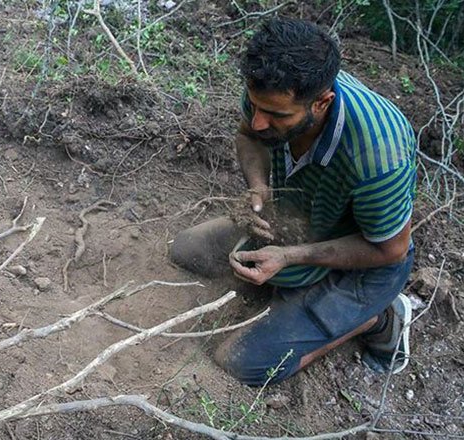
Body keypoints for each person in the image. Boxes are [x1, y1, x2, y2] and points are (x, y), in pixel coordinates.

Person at [169, 18, 417, 386]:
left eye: (275, 116)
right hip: (299, 218)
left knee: (242, 364)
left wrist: (289, 256)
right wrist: (259, 187)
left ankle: (378, 318)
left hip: (365, 263)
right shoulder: (269, 93)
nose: (258, 122)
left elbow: (390, 250)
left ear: (322, 103)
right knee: (184, 250)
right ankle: (292, 289)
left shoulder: (379, 154)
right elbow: (248, 136)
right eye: (255, 107)